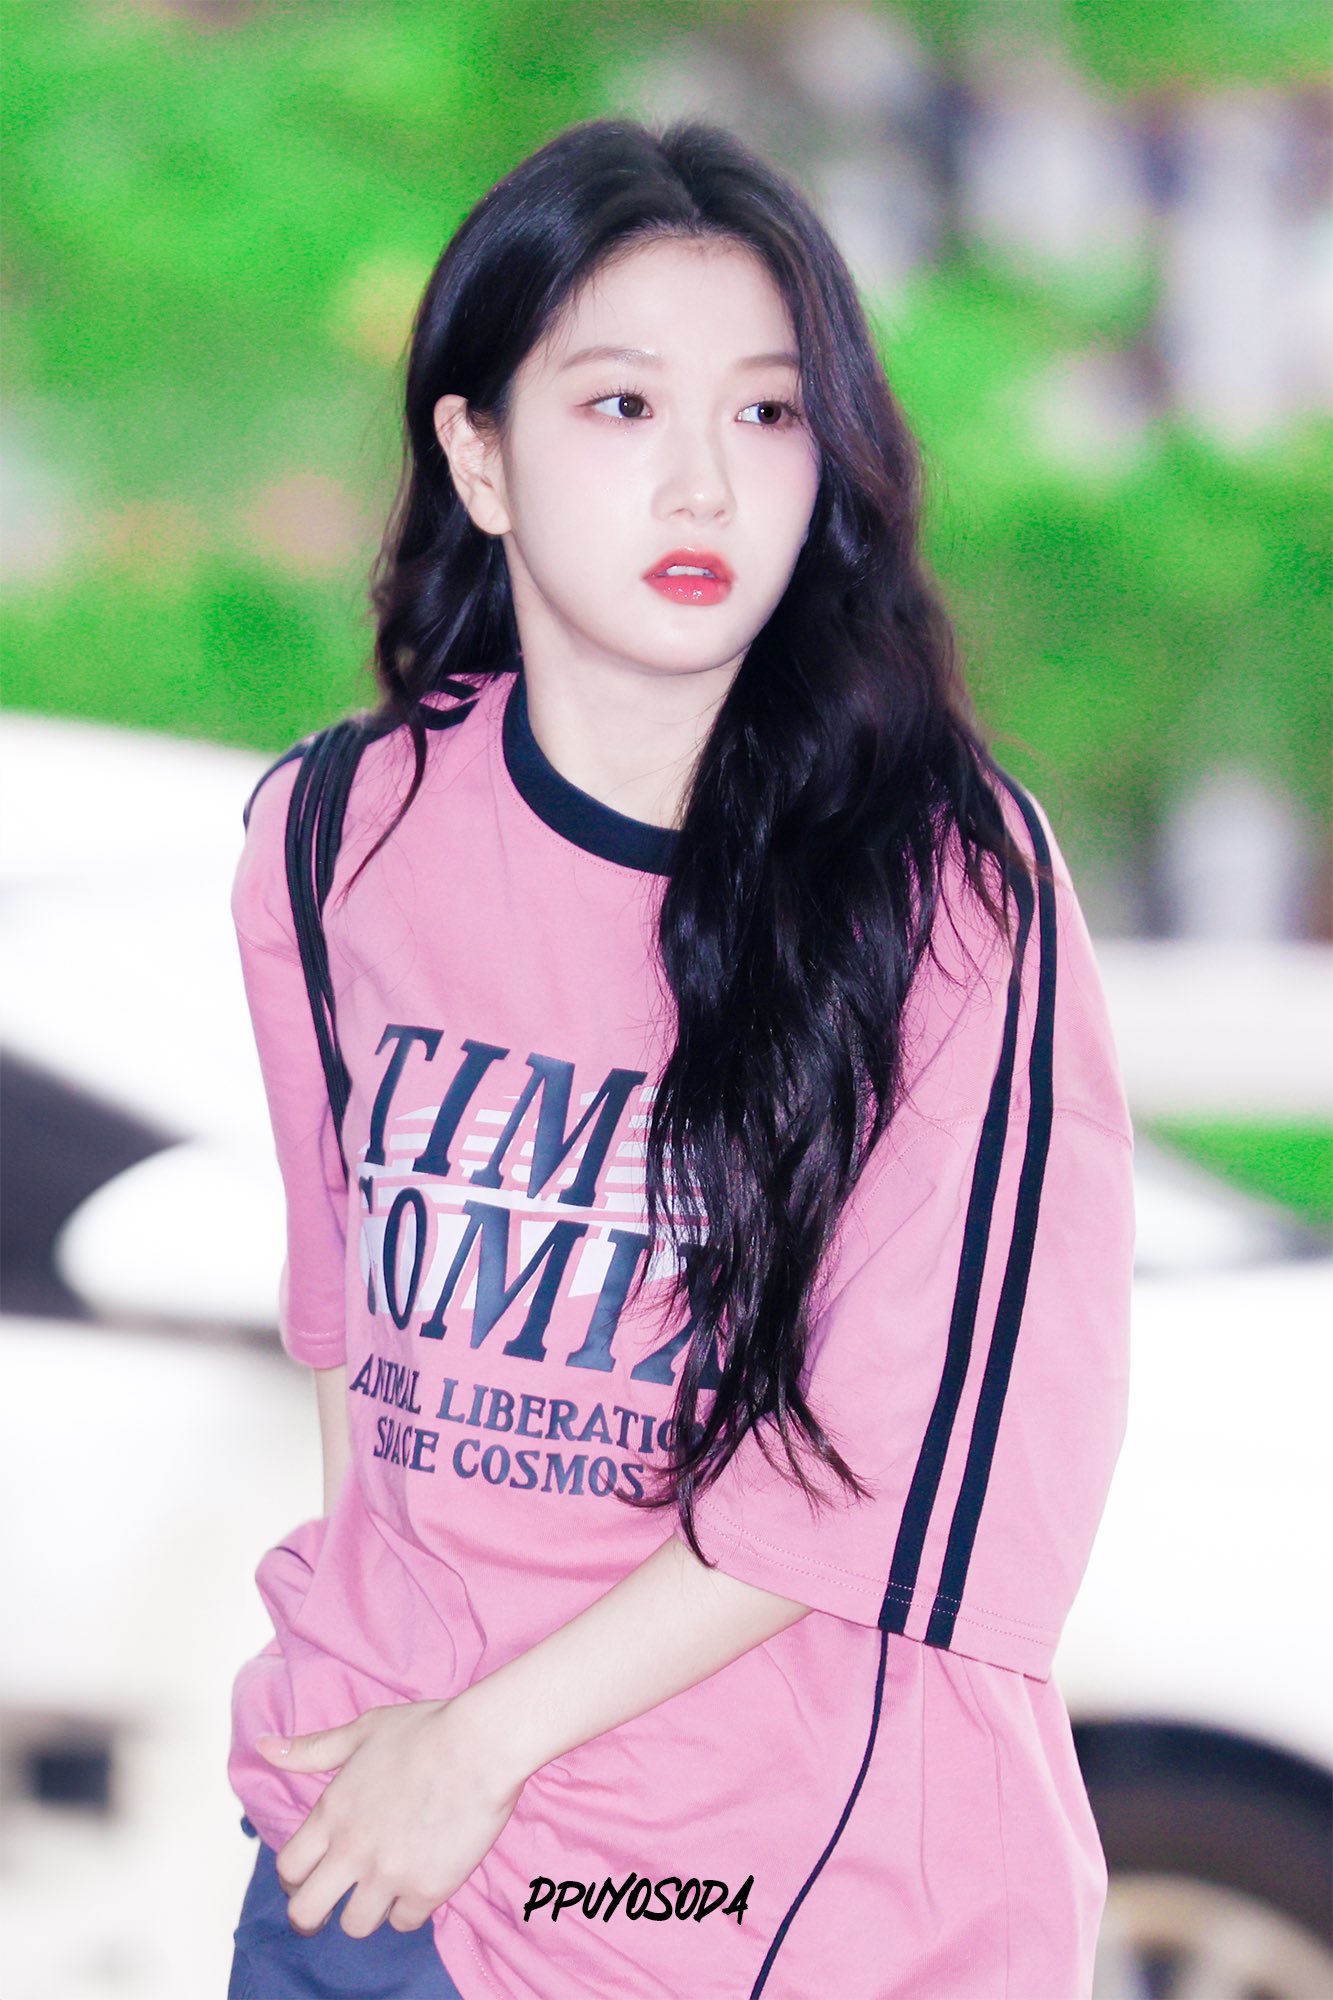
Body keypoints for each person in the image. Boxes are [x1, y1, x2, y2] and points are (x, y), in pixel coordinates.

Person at [224, 115, 1134, 2000]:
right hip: (371, 1854)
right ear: (479, 456)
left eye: (768, 413)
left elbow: (890, 1460)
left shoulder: (950, 888)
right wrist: (392, 1730)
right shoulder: (334, 835)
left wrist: (479, 1750)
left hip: (742, 1899)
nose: (704, 486)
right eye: (621, 406)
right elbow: (353, 1344)